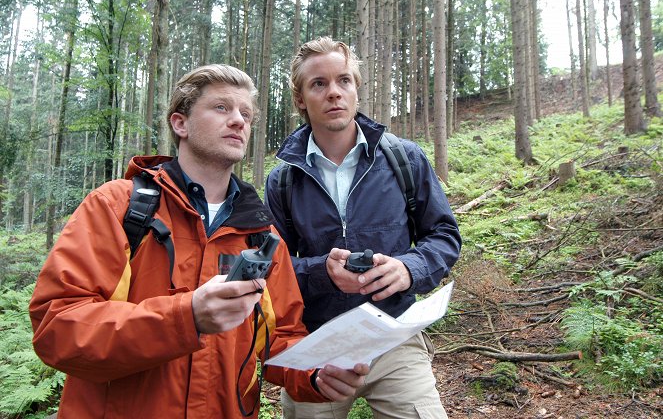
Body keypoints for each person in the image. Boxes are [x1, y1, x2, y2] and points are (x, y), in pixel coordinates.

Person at [29, 64, 369, 419]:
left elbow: (279, 338)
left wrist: (317, 374)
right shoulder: (118, 207)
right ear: (181, 124)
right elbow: (57, 324)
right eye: (222, 108)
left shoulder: (262, 235)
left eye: (246, 114)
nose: (238, 121)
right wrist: (184, 317)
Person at [264, 37, 462, 418]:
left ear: (356, 89)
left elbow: (444, 235)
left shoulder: (403, 158)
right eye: (318, 84)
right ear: (301, 99)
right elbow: (274, 268)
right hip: (318, 345)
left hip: (395, 334)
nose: (334, 92)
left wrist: (409, 269)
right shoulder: (283, 182)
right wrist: (321, 271)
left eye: (344, 81)